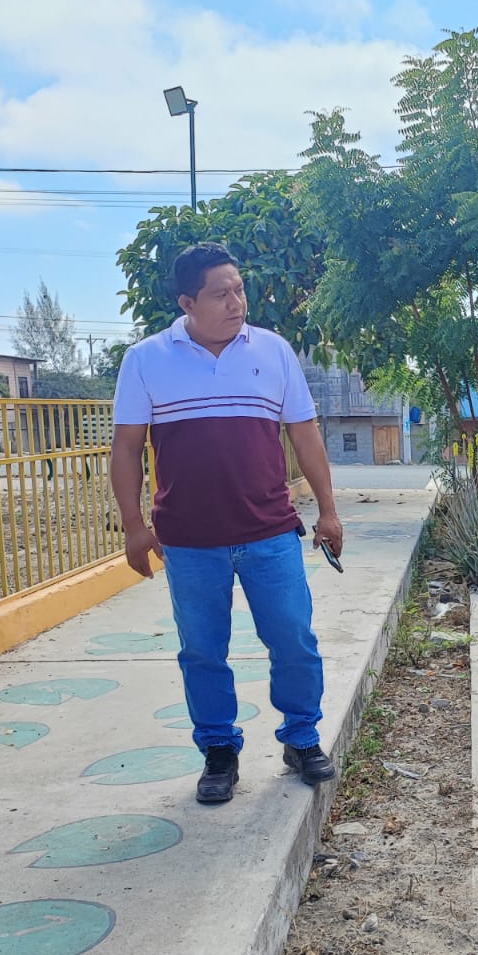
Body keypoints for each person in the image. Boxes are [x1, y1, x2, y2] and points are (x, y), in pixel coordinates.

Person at [110, 242, 344, 805]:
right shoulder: (146, 359)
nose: (236, 302)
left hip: (270, 533)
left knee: (294, 639)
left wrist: (328, 509)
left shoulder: (274, 351)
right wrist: (133, 526)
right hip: (189, 542)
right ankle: (218, 750)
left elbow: (304, 434)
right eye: (221, 294)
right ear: (187, 302)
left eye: (239, 289)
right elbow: (126, 449)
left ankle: (302, 738)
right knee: (202, 651)